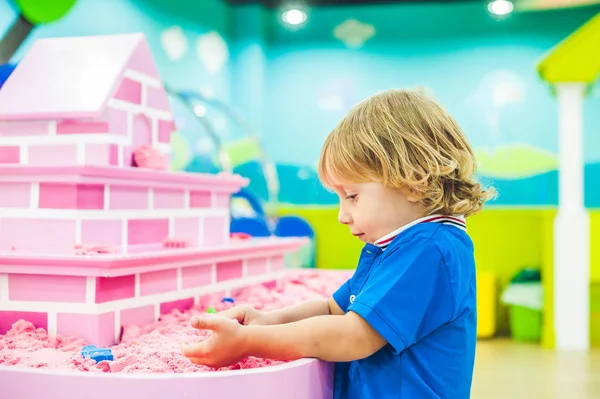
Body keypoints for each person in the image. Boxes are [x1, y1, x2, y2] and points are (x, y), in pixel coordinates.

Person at [181, 88, 494, 398]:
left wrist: (249, 341)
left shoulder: (429, 249)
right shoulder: (398, 247)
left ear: (414, 181)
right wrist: (265, 321)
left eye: (353, 196)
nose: (342, 216)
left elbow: (353, 335)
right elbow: (333, 310)